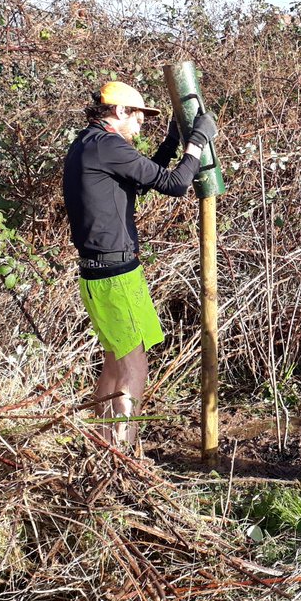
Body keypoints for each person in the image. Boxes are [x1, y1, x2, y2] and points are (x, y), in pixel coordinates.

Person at [62, 80, 217, 451]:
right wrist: (197, 142)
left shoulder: (89, 144)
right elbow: (177, 184)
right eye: (138, 116)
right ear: (118, 111)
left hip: (99, 273)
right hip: (115, 276)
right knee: (134, 367)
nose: (140, 125)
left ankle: (102, 451)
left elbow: (142, 182)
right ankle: (125, 454)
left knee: (115, 362)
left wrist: (170, 143)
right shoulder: (108, 145)